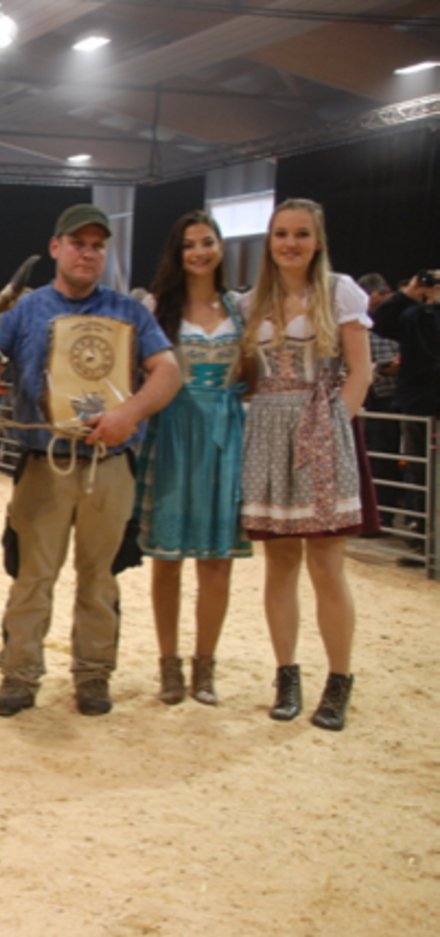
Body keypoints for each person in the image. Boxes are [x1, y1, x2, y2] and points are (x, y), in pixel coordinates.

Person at [0, 203, 181, 717]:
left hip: (108, 465)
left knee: (100, 577)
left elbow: (168, 372)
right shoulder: (23, 312)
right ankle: (20, 675)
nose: (87, 253)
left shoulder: (130, 313)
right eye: (77, 243)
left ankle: (94, 676)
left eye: (96, 245)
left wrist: (129, 415)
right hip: (43, 462)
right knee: (32, 577)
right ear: (56, 248)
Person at [238, 197, 372, 732]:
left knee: (327, 567)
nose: (290, 243)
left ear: (317, 241)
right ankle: (286, 675)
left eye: (300, 234)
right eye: (280, 234)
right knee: (279, 566)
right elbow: (245, 374)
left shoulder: (340, 292)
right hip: (267, 430)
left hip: (320, 429)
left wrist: (333, 426)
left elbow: (361, 372)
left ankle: (338, 681)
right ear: (269, 242)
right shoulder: (252, 302)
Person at [132, 211, 250, 706]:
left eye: (207, 242)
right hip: (172, 429)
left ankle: (206, 665)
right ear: (176, 254)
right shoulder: (157, 308)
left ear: (220, 248)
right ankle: (169, 664)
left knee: (217, 559)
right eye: (188, 245)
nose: (199, 252)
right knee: (168, 558)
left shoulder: (242, 308)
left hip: (225, 431)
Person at [370, 267, 440, 560]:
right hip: (417, 404)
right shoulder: (416, 316)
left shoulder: (422, 316)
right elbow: (380, 322)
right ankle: (421, 540)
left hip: (425, 401)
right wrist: (408, 294)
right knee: (418, 471)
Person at [357, 273, 402, 524]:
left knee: (386, 456)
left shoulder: (393, 318)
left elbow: (395, 359)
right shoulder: (367, 321)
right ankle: (377, 515)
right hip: (372, 397)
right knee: (375, 456)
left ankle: (384, 516)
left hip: (390, 397)